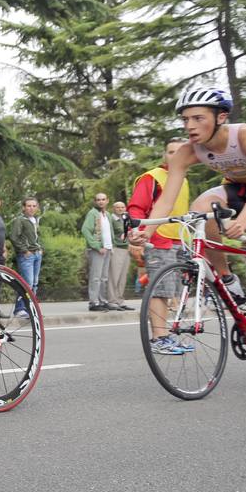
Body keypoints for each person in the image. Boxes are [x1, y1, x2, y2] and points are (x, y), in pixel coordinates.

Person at [144, 86, 246, 374]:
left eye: (197, 118)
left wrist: (243, 222)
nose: (190, 126)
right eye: (185, 120)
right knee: (200, 209)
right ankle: (227, 277)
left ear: (221, 117)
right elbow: (166, 199)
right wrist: (146, 228)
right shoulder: (186, 151)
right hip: (237, 189)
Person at [126, 138, 193, 352]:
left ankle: (169, 336)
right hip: (158, 240)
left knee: (174, 292)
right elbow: (136, 208)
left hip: (179, 240)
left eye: (179, 152)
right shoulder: (152, 177)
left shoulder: (183, 179)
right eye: (170, 151)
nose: (174, 156)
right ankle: (159, 338)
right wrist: (137, 234)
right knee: (160, 290)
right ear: (164, 154)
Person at [7, 197, 43, 318]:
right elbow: (14, 237)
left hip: (37, 253)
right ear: (23, 207)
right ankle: (20, 309)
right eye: (29, 206)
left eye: (34, 206)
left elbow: (36, 237)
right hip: (27, 255)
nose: (31, 208)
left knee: (34, 283)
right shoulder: (20, 220)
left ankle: (31, 308)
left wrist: (40, 248)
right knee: (27, 283)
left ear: (37, 208)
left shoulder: (35, 220)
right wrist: (24, 250)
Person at [80, 193, 115, 312]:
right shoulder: (93, 213)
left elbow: (109, 231)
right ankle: (93, 302)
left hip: (108, 249)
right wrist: (96, 246)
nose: (101, 202)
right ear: (95, 201)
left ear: (107, 201)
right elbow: (85, 230)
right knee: (96, 277)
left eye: (103, 199)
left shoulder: (107, 214)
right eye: (98, 200)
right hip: (97, 250)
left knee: (104, 277)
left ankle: (102, 301)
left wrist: (111, 245)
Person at [106, 199, 134, 311]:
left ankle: (120, 300)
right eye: (118, 207)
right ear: (114, 209)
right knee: (114, 276)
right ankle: (112, 301)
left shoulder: (125, 219)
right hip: (116, 249)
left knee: (122, 277)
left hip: (126, 249)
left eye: (122, 207)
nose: (120, 209)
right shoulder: (111, 219)